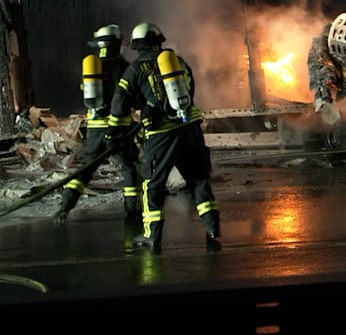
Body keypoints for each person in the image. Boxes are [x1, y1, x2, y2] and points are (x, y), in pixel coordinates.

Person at [105, 22, 220, 251]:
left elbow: (119, 101)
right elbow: (190, 89)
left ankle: (152, 236)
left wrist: (113, 133)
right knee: (198, 179)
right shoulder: (178, 62)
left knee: (152, 184)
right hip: (190, 129)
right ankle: (212, 228)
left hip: (161, 135)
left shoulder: (135, 69)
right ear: (159, 41)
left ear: (137, 46)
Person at [53, 24, 141, 225]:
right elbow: (134, 99)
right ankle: (131, 211)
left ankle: (65, 207)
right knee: (129, 169)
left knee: (85, 169)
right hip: (120, 129)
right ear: (117, 44)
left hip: (95, 130)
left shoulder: (93, 66)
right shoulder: (126, 68)